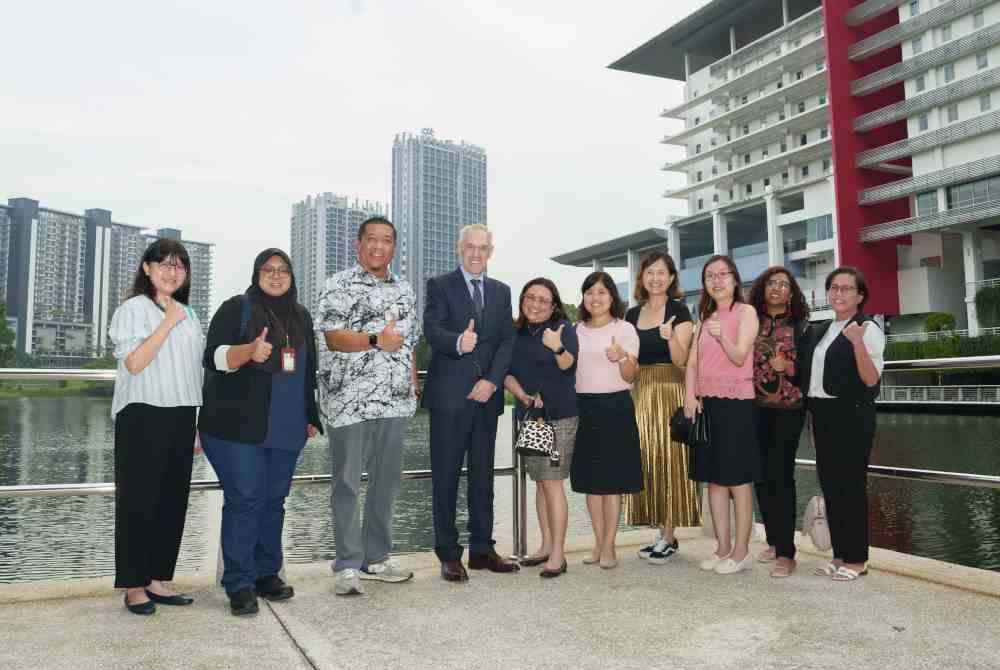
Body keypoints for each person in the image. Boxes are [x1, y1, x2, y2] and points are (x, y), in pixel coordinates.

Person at [199, 249, 322, 616]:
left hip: (286, 427)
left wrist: (310, 414)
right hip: (238, 427)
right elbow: (212, 357)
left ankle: (268, 573)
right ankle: (239, 582)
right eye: (268, 269)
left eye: (283, 269)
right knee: (246, 499)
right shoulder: (236, 308)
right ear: (256, 274)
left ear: (292, 276)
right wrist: (248, 351)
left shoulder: (301, 316)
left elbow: (307, 371)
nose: (276, 275)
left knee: (273, 502)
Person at [316, 216, 420, 596]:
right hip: (348, 401)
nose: (379, 247)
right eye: (371, 240)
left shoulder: (405, 290)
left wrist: (411, 382)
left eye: (387, 240)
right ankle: (346, 564)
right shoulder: (338, 285)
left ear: (395, 247)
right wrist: (377, 339)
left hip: (394, 402)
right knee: (345, 483)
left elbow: (407, 343)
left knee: (386, 483)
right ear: (358, 244)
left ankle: (376, 557)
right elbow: (332, 338)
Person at [109, 238, 203, 615]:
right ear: (146, 268)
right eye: (163, 263)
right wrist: (166, 321)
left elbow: (192, 369)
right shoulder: (133, 309)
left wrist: (195, 424)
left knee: (171, 501)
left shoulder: (190, 314)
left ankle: (158, 579)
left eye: (179, 265)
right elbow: (134, 362)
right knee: (138, 503)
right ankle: (134, 585)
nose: (171, 271)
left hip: (181, 414)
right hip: (143, 413)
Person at [423, 223, 517, 582]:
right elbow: (431, 329)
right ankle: (448, 554)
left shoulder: (501, 291)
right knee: (445, 477)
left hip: (487, 397)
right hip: (450, 397)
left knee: (483, 477)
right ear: (459, 249)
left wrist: (493, 381)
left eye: (483, 247)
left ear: (490, 252)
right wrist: (457, 342)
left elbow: (507, 341)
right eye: (470, 247)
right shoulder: (440, 286)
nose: (476, 253)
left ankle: (482, 549)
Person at [800, 267, 884, 582]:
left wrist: (858, 344)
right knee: (831, 486)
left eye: (847, 288)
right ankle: (839, 555)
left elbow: (871, 380)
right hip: (821, 414)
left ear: (860, 296)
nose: (839, 293)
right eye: (834, 287)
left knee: (850, 486)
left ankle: (858, 559)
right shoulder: (823, 329)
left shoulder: (866, 327)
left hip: (851, 414)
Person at [684, 255, 761, 576]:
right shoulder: (704, 319)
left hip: (737, 403)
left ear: (735, 279)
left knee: (739, 481)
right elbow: (691, 364)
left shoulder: (747, 312)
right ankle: (722, 547)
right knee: (714, 481)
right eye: (709, 276)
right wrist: (690, 394)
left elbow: (740, 354)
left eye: (722, 274)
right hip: (707, 405)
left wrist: (721, 336)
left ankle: (741, 551)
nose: (716, 281)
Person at [624, 251, 699, 565]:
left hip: (670, 388)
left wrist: (669, 338)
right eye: (649, 272)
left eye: (661, 272)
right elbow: (629, 360)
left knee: (671, 459)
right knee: (647, 458)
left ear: (670, 278)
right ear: (642, 278)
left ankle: (668, 536)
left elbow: (682, 360)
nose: (655, 278)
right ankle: (661, 533)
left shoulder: (679, 310)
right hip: (640, 390)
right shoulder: (631, 315)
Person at [504, 278, 578, 578]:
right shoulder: (515, 332)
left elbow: (569, 365)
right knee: (540, 481)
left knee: (553, 481)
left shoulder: (562, 329)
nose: (535, 304)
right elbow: (505, 372)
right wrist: (520, 394)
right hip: (529, 416)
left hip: (558, 415)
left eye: (543, 300)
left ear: (553, 305)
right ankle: (546, 545)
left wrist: (557, 346)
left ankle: (559, 554)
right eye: (530, 297)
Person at [571, 271, 643, 569]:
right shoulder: (574, 329)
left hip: (615, 406)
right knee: (591, 482)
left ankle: (610, 546)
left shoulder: (624, 328)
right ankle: (597, 542)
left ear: (611, 297)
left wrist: (622, 356)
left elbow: (631, 375)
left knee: (611, 482)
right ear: (584, 298)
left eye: (601, 292)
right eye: (590, 292)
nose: (595, 298)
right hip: (584, 406)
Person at [748, 266, 810, 578]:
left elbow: (809, 371)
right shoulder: (752, 321)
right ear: (762, 288)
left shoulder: (801, 325)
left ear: (791, 291)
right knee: (760, 475)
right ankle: (773, 540)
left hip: (789, 408)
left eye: (784, 284)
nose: (777, 289)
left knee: (781, 476)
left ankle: (787, 553)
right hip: (755, 408)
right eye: (771, 283)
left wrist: (788, 367)